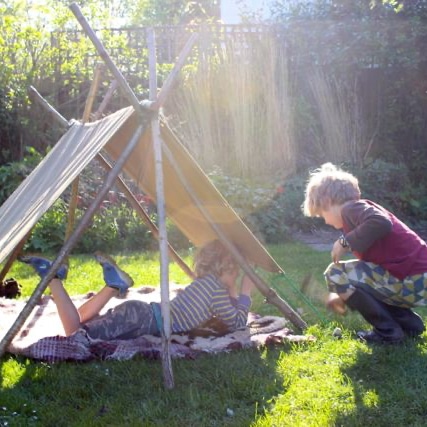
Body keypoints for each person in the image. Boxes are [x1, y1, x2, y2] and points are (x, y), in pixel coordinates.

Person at [18, 240, 255, 340]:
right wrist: (244, 292)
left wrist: (233, 289)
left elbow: (229, 316)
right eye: (235, 270)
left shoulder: (207, 284)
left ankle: (113, 286)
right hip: (142, 320)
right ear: (226, 266)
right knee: (75, 333)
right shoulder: (216, 290)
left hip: (140, 314)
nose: (236, 274)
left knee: (80, 321)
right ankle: (52, 278)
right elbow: (236, 322)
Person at [302, 162, 427, 344]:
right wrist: (343, 295)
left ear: (328, 202)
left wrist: (344, 242)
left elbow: (381, 222)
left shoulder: (352, 209)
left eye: (322, 214)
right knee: (355, 276)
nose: (326, 221)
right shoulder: (358, 214)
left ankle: (388, 332)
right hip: (416, 281)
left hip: (413, 279)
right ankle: (409, 324)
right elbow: (370, 278)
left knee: (335, 273)